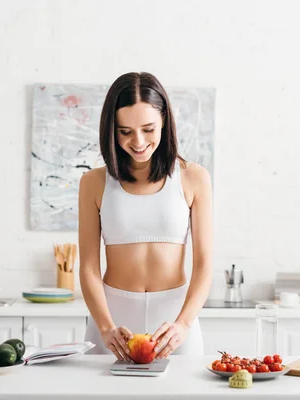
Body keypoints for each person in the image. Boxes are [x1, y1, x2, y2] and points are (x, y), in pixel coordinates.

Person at [78, 72, 213, 361]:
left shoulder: (195, 178)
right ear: (111, 130)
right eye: (125, 131)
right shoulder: (93, 182)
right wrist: (105, 328)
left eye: (148, 129)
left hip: (175, 326)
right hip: (113, 326)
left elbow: (204, 265)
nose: (138, 142)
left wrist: (184, 324)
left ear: (165, 120)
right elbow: (89, 267)